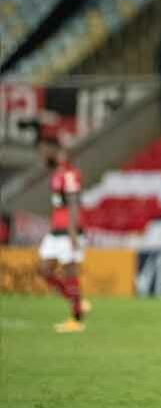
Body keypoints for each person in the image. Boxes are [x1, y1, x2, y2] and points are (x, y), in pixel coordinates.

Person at [36, 136, 91, 333]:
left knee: (70, 273)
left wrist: (73, 233)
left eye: (43, 150)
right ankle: (76, 300)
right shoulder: (58, 172)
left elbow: (74, 203)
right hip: (55, 231)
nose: (41, 154)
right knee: (43, 269)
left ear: (54, 150)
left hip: (69, 231)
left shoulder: (68, 174)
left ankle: (76, 320)